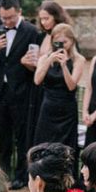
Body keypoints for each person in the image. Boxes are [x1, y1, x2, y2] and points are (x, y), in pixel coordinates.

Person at [0, 0, 41, 190]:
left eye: (10, 17)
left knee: (21, 136)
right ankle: (3, 174)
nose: (7, 22)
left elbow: (35, 62)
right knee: (4, 135)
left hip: (22, 92)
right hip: (1, 92)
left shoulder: (32, 32)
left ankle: (21, 175)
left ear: (18, 11)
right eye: (3, 18)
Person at [32, 24, 85, 163]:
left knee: (65, 146)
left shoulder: (79, 60)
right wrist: (49, 60)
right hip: (48, 106)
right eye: (57, 42)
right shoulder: (45, 58)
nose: (61, 45)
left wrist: (64, 65)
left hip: (67, 108)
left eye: (65, 42)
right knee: (44, 144)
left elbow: (71, 86)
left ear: (72, 41)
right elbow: (37, 80)